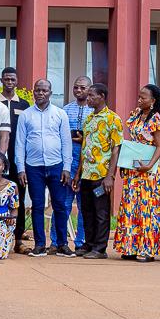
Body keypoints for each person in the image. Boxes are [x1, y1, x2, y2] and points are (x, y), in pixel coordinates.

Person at [114, 84, 160, 263]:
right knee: (131, 207)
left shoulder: (157, 120)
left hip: (149, 172)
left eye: (143, 98)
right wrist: (124, 165)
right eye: (139, 97)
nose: (139, 100)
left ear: (153, 101)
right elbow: (131, 143)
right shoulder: (135, 116)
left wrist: (149, 165)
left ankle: (148, 250)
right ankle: (130, 247)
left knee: (148, 209)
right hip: (133, 169)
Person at [15, 79, 73, 256]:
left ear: (50, 92)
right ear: (33, 92)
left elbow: (66, 142)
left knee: (60, 205)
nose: (41, 93)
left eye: (44, 90)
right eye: (38, 90)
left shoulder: (60, 114)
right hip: (33, 168)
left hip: (57, 166)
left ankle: (62, 244)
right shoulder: (26, 115)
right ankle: (40, 244)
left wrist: (67, 167)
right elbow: (20, 143)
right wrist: (20, 168)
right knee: (37, 206)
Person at [74, 83, 123, 260]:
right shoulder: (89, 119)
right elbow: (85, 146)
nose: (88, 99)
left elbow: (116, 149)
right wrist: (78, 173)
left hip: (102, 175)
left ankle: (100, 248)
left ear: (102, 96)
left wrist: (110, 176)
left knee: (101, 212)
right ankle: (89, 243)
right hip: (87, 173)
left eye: (92, 96)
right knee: (86, 211)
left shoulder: (113, 119)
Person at [0, 67, 31, 252]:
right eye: (7, 79)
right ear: (1, 80)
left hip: (18, 159)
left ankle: (18, 239)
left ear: (17, 81)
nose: (9, 82)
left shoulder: (24, 105)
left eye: (13, 79)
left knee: (19, 198)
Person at [58, 76, 93, 251]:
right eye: (76, 87)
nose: (78, 91)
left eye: (82, 88)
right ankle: (58, 242)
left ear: (90, 89)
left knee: (83, 206)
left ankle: (80, 243)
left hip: (87, 163)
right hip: (68, 160)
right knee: (63, 203)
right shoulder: (65, 110)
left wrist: (83, 139)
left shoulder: (94, 111)